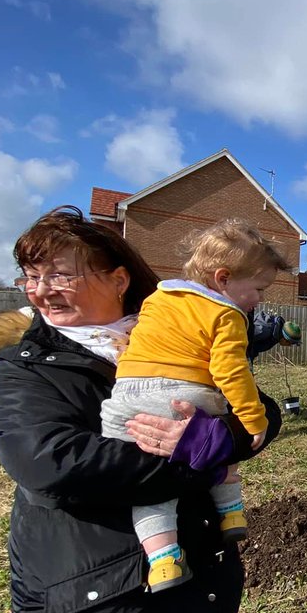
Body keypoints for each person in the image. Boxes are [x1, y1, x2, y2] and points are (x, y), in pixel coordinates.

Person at [0, 206, 274, 613]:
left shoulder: (171, 326)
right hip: (102, 599)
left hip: (185, 579)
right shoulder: (29, 366)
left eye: (59, 274)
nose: (42, 291)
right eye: (31, 276)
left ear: (117, 277)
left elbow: (255, 409)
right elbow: (50, 463)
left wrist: (223, 440)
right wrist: (187, 460)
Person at [100, 219, 285, 592]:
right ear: (223, 279)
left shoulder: (157, 299)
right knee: (215, 439)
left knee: (149, 490)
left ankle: (164, 558)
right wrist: (253, 418)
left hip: (125, 399)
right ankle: (231, 514)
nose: (260, 300)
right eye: (258, 289)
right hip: (184, 392)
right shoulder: (226, 314)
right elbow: (230, 371)